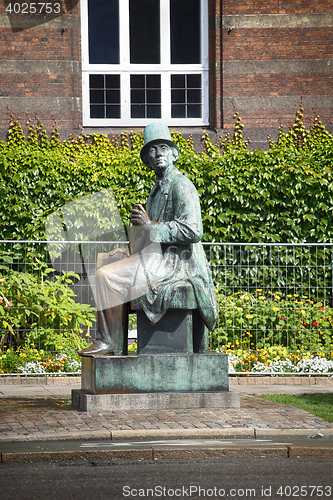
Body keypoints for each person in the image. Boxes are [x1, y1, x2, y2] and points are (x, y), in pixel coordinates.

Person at [80, 122, 217, 355]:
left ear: (174, 154)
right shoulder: (156, 189)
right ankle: (113, 342)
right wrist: (128, 246)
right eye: (152, 151)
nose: (158, 153)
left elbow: (193, 231)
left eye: (163, 147)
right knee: (105, 261)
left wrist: (150, 225)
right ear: (147, 161)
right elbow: (151, 234)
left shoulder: (182, 186)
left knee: (106, 275)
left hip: (177, 263)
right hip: (158, 257)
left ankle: (109, 344)